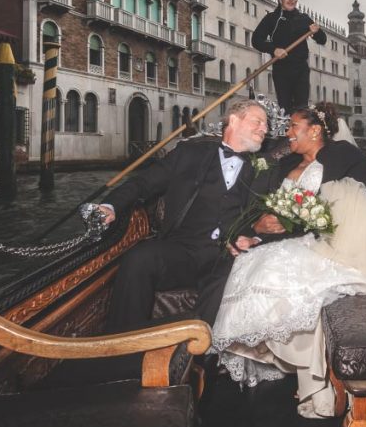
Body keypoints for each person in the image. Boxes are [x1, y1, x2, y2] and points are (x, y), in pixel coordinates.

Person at [211, 102, 366, 419]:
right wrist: (259, 226)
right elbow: (268, 205)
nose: (287, 132)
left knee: (283, 273)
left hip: (332, 241)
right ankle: (294, 367)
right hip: (293, 238)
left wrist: (299, 222)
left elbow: (363, 199)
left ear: (315, 130)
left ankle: (316, 384)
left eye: (293, 126)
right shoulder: (286, 163)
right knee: (251, 262)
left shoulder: (342, 155)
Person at [96, 100, 270, 332]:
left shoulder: (266, 169)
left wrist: (253, 239)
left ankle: (198, 348)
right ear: (234, 120)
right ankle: (123, 344)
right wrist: (111, 206)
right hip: (184, 250)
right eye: (258, 122)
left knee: (227, 279)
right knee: (140, 258)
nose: (265, 129)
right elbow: (143, 183)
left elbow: (270, 220)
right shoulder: (189, 153)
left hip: (229, 256)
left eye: (266, 124)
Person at [252, 0, 327, 114]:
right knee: (285, 109)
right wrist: (274, 50)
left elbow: (322, 39)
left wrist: (317, 31)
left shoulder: (304, 19)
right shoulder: (271, 19)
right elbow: (256, 40)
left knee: (301, 109)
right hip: (281, 70)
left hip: (301, 70)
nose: (291, 0)